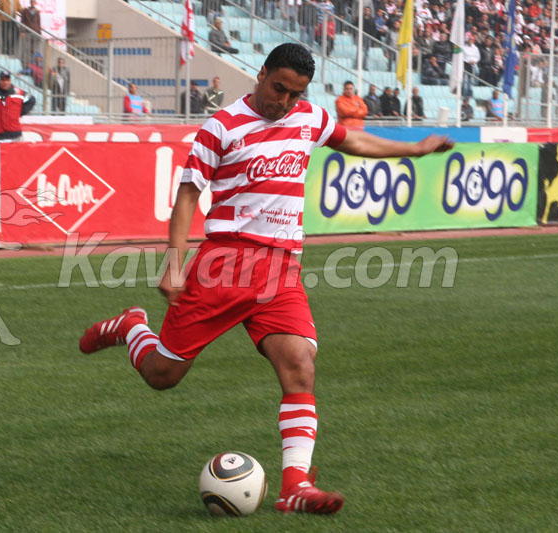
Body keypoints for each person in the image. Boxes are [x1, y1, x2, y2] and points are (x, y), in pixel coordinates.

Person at [78, 43, 453, 517]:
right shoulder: (221, 127)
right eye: (279, 89)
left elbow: (353, 141)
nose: (285, 102)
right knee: (162, 376)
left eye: (295, 93)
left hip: (281, 268)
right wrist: (174, 263)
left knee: (300, 366)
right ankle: (132, 326)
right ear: (260, 75)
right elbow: (188, 197)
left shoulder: (308, 118)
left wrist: (413, 150)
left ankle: (295, 484)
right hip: (224, 265)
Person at [0, 70, 34, 142]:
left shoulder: (18, 92)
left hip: (15, 135)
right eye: (3, 80)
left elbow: (31, 100)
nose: (5, 82)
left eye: (7, 80)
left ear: (10, 81)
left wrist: (19, 113)